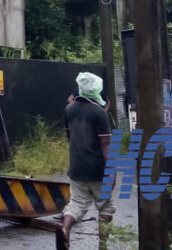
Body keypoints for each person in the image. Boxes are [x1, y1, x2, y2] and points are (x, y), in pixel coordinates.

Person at [60, 72, 113, 250]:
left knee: (76, 204)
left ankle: (65, 228)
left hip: (77, 168)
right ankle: (103, 246)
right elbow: (105, 144)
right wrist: (111, 171)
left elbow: (70, 137)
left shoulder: (69, 110)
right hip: (98, 170)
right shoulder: (100, 114)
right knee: (105, 206)